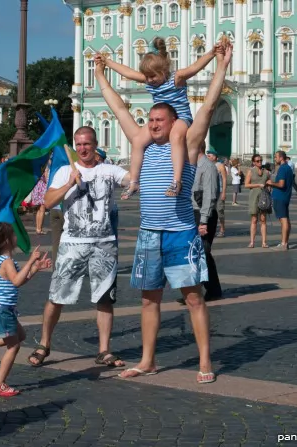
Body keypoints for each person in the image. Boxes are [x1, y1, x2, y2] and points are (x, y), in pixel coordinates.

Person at [95, 39, 233, 383]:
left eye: (160, 119)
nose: (153, 123)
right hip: (148, 234)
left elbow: (209, 104)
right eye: (151, 119)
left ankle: (204, 363)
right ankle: (148, 361)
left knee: (194, 300)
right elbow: (119, 110)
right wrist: (100, 74)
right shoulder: (142, 139)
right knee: (147, 301)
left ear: (173, 122)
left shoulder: (185, 144)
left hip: (181, 233)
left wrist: (222, 65)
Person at [28, 126, 130, 369]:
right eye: (79, 144)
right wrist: (70, 185)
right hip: (71, 244)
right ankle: (44, 344)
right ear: (75, 147)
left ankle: (104, 350)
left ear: (95, 145)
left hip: (104, 245)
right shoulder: (65, 171)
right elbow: (47, 201)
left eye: (87, 144)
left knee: (105, 298)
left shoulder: (109, 170)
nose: (83, 149)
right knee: (57, 296)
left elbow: (129, 178)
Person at [97, 37, 221, 197]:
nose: (148, 81)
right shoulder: (149, 80)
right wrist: (107, 62)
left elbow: (195, 67)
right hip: (162, 120)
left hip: (180, 118)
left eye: (152, 77)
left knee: (176, 136)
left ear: (163, 72)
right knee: (138, 141)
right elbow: (127, 72)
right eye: (146, 77)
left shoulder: (176, 78)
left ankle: (176, 181)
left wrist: (212, 53)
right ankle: (134, 181)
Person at [0, 223, 51, 397]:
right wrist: (30, 261)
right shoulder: (6, 262)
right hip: (2, 310)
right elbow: (16, 281)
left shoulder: (1, 260)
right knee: (13, 345)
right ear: (7, 241)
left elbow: (19, 280)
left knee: (20, 335)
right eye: (14, 235)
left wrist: (36, 268)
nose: (17, 237)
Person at [186, 142, 221, 303]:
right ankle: (195, 292)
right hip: (192, 213)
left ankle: (213, 289)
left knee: (203, 253)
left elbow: (210, 195)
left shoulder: (208, 167)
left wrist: (204, 221)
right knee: (193, 254)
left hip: (203, 214)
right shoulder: (191, 165)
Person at [266, 151, 293, 250]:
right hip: (286, 196)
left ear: (281, 158)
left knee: (283, 219)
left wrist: (271, 183)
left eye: (276, 157)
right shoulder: (289, 168)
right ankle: (286, 242)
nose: (274, 159)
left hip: (280, 197)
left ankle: (283, 244)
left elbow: (281, 184)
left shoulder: (282, 169)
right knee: (286, 219)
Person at [245, 154, 272, 248]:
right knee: (254, 219)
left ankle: (264, 242)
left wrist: (269, 187)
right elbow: (246, 185)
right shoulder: (250, 172)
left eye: (261, 160)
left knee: (263, 219)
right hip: (254, 197)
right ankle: (252, 242)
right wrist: (258, 185)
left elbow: (269, 183)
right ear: (253, 162)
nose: (260, 162)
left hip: (264, 197)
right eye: (257, 161)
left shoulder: (266, 172)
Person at [206, 151, 227, 237]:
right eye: (207, 156)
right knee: (209, 210)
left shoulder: (220, 165)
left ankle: (222, 228)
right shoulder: (207, 165)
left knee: (220, 211)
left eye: (209, 156)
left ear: (215, 157)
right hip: (209, 191)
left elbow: (225, 179)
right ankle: (209, 228)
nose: (208, 157)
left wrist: (224, 192)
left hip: (219, 191)